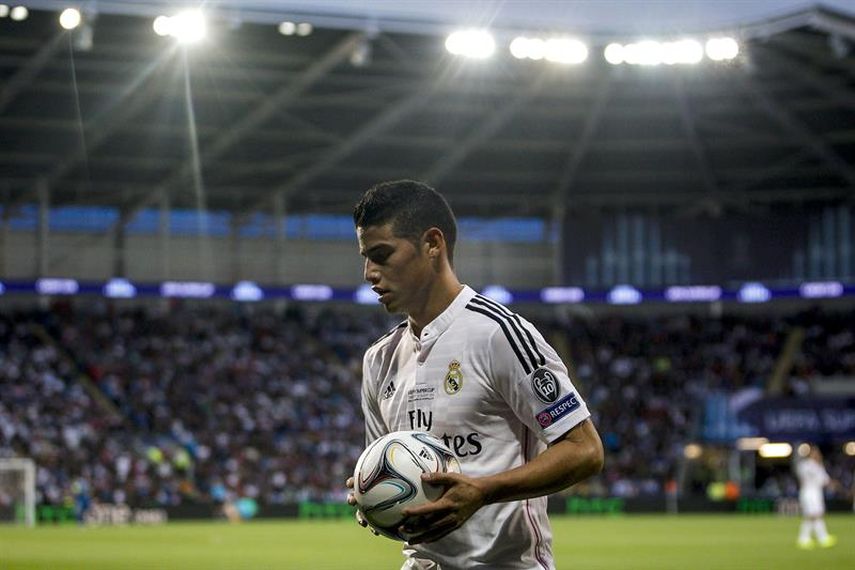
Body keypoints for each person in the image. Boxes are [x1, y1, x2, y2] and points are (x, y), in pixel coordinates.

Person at [346, 179, 604, 570]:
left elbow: (584, 449)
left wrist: (483, 492)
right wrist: (373, 493)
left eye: (382, 255)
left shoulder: (499, 334)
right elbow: (396, 471)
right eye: (365, 257)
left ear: (433, 244)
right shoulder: (378, 360)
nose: (368, 273)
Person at [795, 445, 836, 549]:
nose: (817, 454)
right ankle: (822, 538)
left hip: (816, 493)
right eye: (814, 452)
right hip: (809, 493)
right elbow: (822, 480)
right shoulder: (808, 465)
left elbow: (825, 481)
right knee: (814, 515)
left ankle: (804, 538)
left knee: (812, 516)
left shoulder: (817, 466)